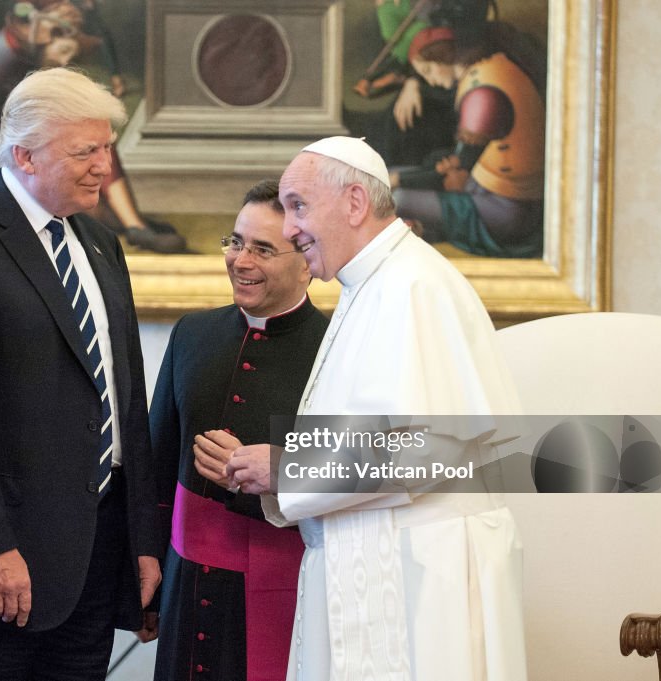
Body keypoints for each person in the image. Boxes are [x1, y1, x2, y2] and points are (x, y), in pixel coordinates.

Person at [224, 136, 528, 681]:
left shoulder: (410, 287)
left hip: (417, 578)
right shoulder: (376, 283)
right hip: (390, 557)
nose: (290, 228)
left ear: (355, 204)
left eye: (298, 205)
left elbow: (425, 450)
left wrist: (284, 467)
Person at [0, 67, 162, 681]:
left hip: (100, 554)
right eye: (86, 151)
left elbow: (127, 402)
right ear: (23, 155)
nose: (105, 165)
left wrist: (142, 539)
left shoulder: (101, 242)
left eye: (107, 148)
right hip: (12, 561)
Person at [150, 180, 329, 681]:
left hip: (284, 581)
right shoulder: (193, 333)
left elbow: (361, 479)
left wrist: (275, 472)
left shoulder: (335, 351)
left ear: (306, 261)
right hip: (186, 581)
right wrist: (146, 567)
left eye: (263, 249)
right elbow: (158, 462)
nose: (240, 260)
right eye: (235, 241)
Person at [0, 3, 188, 254]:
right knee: (82, 193)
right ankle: (132, 224)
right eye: (57, 31)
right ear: (21, 23)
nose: (66, 40)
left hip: (33, 159)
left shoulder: (34, 51)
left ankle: (133, 224)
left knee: (88, 137)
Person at [390, 24, 546, 257]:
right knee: (389, 181)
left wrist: (398, 179)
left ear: (444, 57)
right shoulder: (490, 68)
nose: (430, 81)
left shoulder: (482, 94)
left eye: (429, 71)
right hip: (486, 190)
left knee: (395, 197)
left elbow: (458, 170)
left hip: (507, 209)